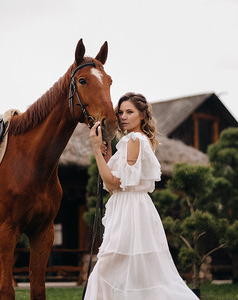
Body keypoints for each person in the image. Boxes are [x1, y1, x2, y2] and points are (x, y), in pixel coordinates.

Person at [84, 92, 199, 300]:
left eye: (130, 112)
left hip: (130, 212)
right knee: (133, 275)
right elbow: (115, 186)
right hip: (129, 207)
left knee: (106, 271)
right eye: (120, 113)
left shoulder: (135, 139)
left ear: (143, 115)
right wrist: (106, 155)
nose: (123, 117)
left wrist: (94, 148)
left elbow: (110, 183)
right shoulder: (132, 141)